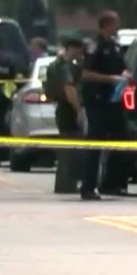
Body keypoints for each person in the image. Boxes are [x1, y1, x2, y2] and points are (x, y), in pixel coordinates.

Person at [79, 11, 131, 200]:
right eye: (115, 23)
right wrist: (110, 79)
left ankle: (111, 184)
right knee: (95, 143)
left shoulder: (116, 46)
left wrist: (125, 75)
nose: (116, 27)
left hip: (115, 100)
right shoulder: (94, 46)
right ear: (107, 25)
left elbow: (122, 67)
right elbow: (86, 74)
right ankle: (87, 187)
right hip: (98, 100)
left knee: (121, 139)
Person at [45, 37, 85, 193]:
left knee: (66, 150)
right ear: (73, 49)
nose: (81, 55)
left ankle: (65, 184)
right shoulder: (65, 67)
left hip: (61, 108)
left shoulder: (54, 65)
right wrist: (78, 110)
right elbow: (69, 89)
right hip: (68, 109)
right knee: (71, 149)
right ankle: (67, 185)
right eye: (80, 51)